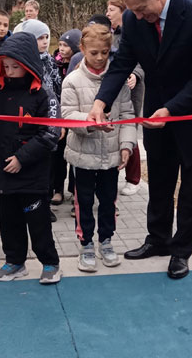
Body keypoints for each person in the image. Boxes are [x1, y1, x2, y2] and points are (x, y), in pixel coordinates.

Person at [87, 0, 192, 280]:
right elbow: (122, 63)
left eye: (142, 9)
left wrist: (171, 110)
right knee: (160, 182)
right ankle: (158, 239)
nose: (138, 16)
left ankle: (182, 250)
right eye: (133, 12)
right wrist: (100, 101)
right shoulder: (136, 20)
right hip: (155, 117)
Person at [0, 31, 62, 284]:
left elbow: (50, 134)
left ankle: (50, 263)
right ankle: (15, 262)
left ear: (29, 65)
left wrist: (22, 159)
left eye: (16, 66)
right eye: (5, 66)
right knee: (9, 222)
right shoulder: (0, 91)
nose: (10, 70)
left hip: (33, 176)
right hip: (5, 173)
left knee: (38, 223)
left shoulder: (44, 95)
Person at [61, 24, 136, 272]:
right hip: (82, 157)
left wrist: (126, 145)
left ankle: (106, 241)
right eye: (94, 52)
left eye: (105, 52)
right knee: (83, 202)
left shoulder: (118, 81)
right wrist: (91, 124)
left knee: (108, 201)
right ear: (82, 50)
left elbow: (127, 114)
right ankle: (86, 244)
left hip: (111, 156)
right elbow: (68, 115)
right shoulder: (72, 80)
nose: (100, 57)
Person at [21, 18, 60, 222]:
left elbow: (57, 87)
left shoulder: (50, 60)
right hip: (30, 120)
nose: (45, 42)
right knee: (31, 164)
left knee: (48, 165)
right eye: (39, 38)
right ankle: (30, 205)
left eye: (46, 37)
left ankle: (45, 204)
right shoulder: (25, 63)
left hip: (49, 119)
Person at [106, 0, 145, 196]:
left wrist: (135, 75)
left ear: (122, 11)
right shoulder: (110, 34)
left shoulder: (135, 31)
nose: (107, 13)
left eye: (111, 9)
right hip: (113, 89)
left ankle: (134, 179)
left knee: (130, 131)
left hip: (132, 90)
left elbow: (142, 58)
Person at [50, 29, 81, 207]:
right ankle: (57, 189)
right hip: (58, 115)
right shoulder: (54, 64)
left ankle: (74, 189)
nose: (61, 49)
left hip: (74, 114)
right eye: (60, 45)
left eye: (66, 45)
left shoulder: (79, 63)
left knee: (75, 154)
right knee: (58, 154)